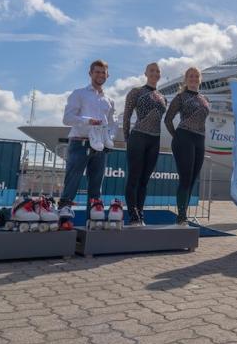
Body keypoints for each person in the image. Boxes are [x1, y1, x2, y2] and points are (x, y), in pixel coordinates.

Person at [59, 60, 116, 218]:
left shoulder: (109, 101)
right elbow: (67, 118)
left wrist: (109, 137)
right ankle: (64, 212)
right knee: (72, 180)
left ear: (107, 75)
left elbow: (113, 123)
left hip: (100, 145)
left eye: (103, 72)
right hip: (80, 141)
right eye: (97, 72)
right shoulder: (78, 94)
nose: (100, 75)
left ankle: (93, 216)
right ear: (90, 73)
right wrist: (87, 120)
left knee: (96, 185)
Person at [123, 63, 167, 225]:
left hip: (154, 140)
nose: (155, 73)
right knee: (133, 177)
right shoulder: (136, 92)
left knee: (144, 180)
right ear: (146, 73)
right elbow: (126, 116)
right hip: (138, 137)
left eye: (157, 71)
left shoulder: (163, 97)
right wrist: (127, 138)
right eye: (152, 71)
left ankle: (140, 212)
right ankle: (132, 214)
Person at [165, 67, 210, 224]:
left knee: (192, 179)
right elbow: (168, 119)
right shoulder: (180, 97)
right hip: (184, 138)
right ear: (186, 79)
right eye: (190, 76)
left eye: (196, 76)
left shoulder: (204, 99)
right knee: (185, 178)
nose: (193, 78)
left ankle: (184, 214)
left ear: (200, 79)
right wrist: (177, 136)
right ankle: (181, 216)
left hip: (200, 139)